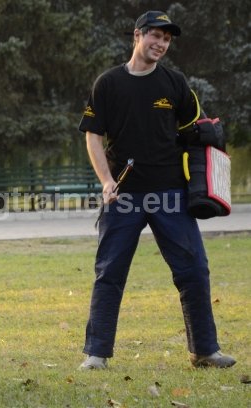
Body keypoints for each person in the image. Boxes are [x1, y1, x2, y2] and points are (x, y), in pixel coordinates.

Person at [77, 11, 236, 370]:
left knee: (194, 269)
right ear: (138, 35)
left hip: (171, 194)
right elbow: (93, 135)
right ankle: (97, 354)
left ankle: (205, 351)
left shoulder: (175, 83)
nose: (161, 44)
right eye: (155, 37)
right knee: (109, 273)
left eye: (166, 40)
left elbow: (198, 131)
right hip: (124, 195)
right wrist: (105, 181)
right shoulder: (109, 83)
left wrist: (204, 180)